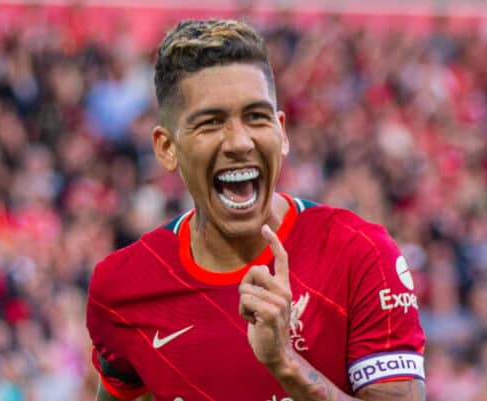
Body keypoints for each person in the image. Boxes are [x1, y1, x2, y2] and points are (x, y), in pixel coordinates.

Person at [86, 18, 426, 401]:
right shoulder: (121, 287)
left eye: (256, 117)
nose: (240, 141)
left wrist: (285, 363)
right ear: (167, 148)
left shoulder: (360, 254)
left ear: (281, 132)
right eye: (211, 123)